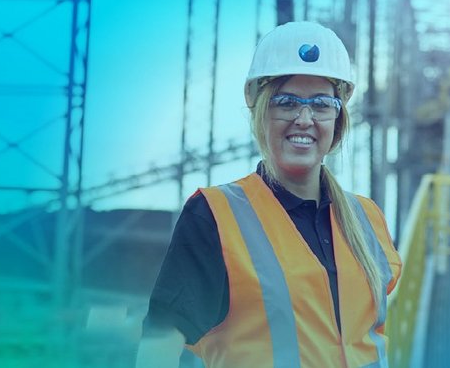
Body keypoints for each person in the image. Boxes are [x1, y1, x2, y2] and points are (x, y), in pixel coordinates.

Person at [135, 21, 402, 368]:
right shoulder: (215, 215)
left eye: (321, 104)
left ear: (337, 117)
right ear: (260, 109)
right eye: (286, 102)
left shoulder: (368, 219)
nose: (304, 119)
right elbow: (160, 343)